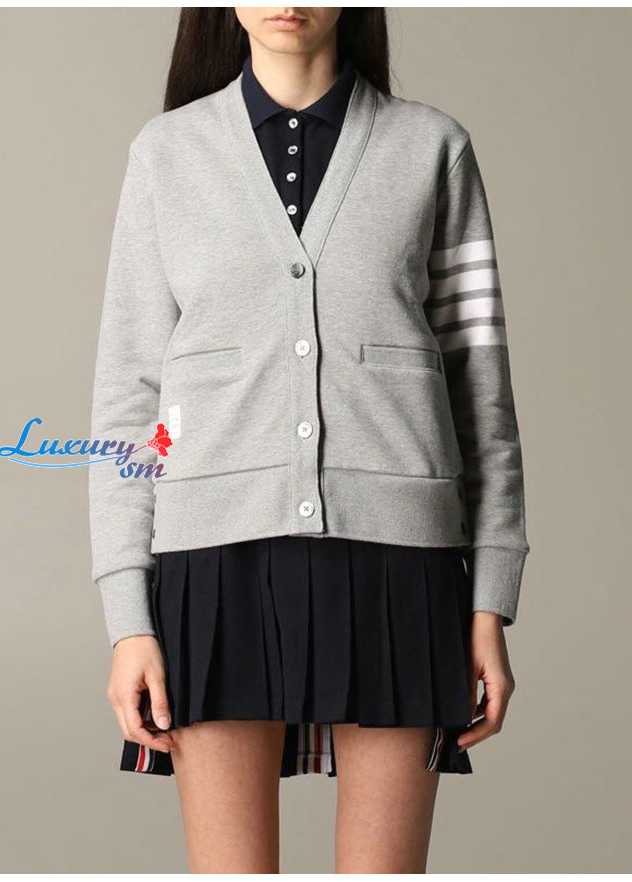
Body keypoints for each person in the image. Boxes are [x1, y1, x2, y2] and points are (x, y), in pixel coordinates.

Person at [89, 7, 530, 873]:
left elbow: (482, 393)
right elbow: (128, 403)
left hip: (402, 563)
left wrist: (490, 599)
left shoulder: (432, 149)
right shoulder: (166, 155)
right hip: (212, 564)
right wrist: (127, 619)